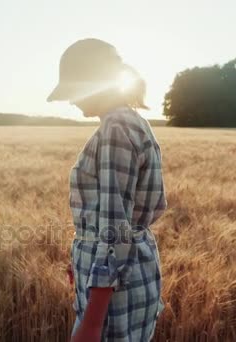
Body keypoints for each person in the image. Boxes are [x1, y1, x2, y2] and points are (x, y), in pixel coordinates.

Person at [47, 38, 168, 342]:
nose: (71, 101)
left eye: (73, 90)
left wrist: (91, 323)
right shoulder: (131, 122)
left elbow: (116, 230)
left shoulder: (115, 128)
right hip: (126, 278)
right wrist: (81, 260)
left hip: (114, 296)